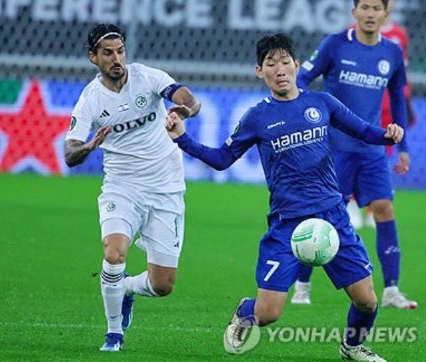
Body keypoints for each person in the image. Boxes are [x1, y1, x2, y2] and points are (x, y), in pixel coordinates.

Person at [166, 33, 402, 361]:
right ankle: (245, 311)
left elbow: (362, 130)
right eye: (271, 64)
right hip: (287, 225)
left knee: (367, 301)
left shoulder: (321, 102)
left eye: (284, 61)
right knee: (269, 313)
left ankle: (352, 347)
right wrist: (183, 139)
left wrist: (387, 134)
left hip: (333, 218)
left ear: (295, 64)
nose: (279, 69)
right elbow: (222, 159)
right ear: (259, 71)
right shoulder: (257, 117)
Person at [64, 23, 201, 352]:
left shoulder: (148, 77)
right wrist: (88, 147)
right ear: (93, 57)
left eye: (120, 51)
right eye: (108, 53)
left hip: (166, 188)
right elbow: (69, 154)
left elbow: (187, 98)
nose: (116, 59)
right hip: (121, 188)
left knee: (163, 285)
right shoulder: (90, 100)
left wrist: (185, 109)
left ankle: (126, 289)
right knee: (113, 252)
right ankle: (113, 335)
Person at [292, 0, 417, 309]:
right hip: (334, 150)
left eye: (377, 8)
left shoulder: (391, 52)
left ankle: (391, 290)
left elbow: (398, 96)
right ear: (354, 12)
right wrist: (307, 112)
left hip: (372, 151)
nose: (370, 13)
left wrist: (402, 147)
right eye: (365, 7)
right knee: (320, 217)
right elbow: (301, 79)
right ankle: (302, 286)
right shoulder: (335, 45)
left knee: (384, 209)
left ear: (386, 13)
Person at [348, 0, 419, 230]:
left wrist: (405, 99)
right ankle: (349, 205)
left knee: (381, 153)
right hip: (362, 102)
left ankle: (372, 207)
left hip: (389, 104)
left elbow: (401, 76)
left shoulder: (399, 35)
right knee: (352, 150)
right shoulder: (351, 34)